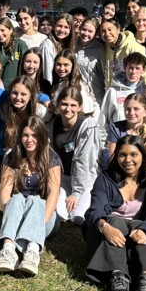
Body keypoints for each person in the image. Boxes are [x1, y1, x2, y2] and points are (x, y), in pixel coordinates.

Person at [84, 135, 146, 291]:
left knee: (139, 225)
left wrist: (145, 231)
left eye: (134, 154)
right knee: (116, 221)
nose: (128, 160)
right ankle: (118, 276)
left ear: (143, 156)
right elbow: (95, 211)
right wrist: (105, 227)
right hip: (107, 233)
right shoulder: (105, 179)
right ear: (116, 157)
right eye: (122, 155)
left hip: (136, 237)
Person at [0, 116, 61, 277]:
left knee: (34, 200)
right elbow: (5, 190)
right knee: (16, 198)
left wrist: (39, 223)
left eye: (34, 135)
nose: (29, 140)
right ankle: (8, 249)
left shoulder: (51, 158)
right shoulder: (12, 157)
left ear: (41, 136)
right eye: (25, 135)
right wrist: (10, 216)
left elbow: (54, 192)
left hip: (44, 216)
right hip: (17, 213)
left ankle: (32, 251)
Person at [49, 87, 100, 224]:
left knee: (78, 218)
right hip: (63, 178)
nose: (68, 109)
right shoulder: (52, 124)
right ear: (58, 105)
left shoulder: (87, 126)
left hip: (85, 179)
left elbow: (84, 161)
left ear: (80, 107)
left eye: (73, 105)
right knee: (61, 215)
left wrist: (76, 193)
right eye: (64, 104)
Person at [105, 92, 146, 173]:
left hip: (143, 176)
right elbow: (113, 161)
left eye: (136, 109)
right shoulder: (115, 128)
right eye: (127, 109)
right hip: (119, 174)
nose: (131, 113)